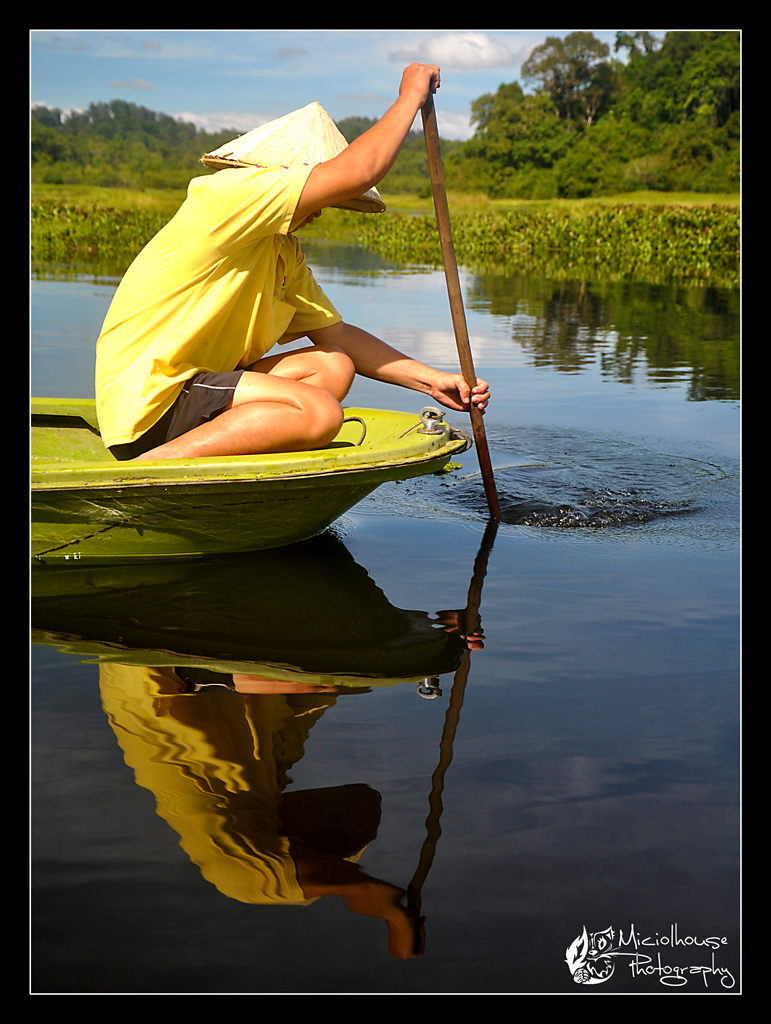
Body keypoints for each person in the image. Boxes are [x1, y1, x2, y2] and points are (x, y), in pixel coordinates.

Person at [94, 63, 490, 462]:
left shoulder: (283, 250)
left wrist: (432, 381)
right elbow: (359, 171)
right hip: (149, 404)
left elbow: (337, 337)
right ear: (283, 175)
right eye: (317, 188)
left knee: (333, 365)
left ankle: (214, 456)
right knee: (319, 413)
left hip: (197, 391)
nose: (321, 208)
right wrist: (410, 97)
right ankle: (148, 469)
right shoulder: (229, 196)